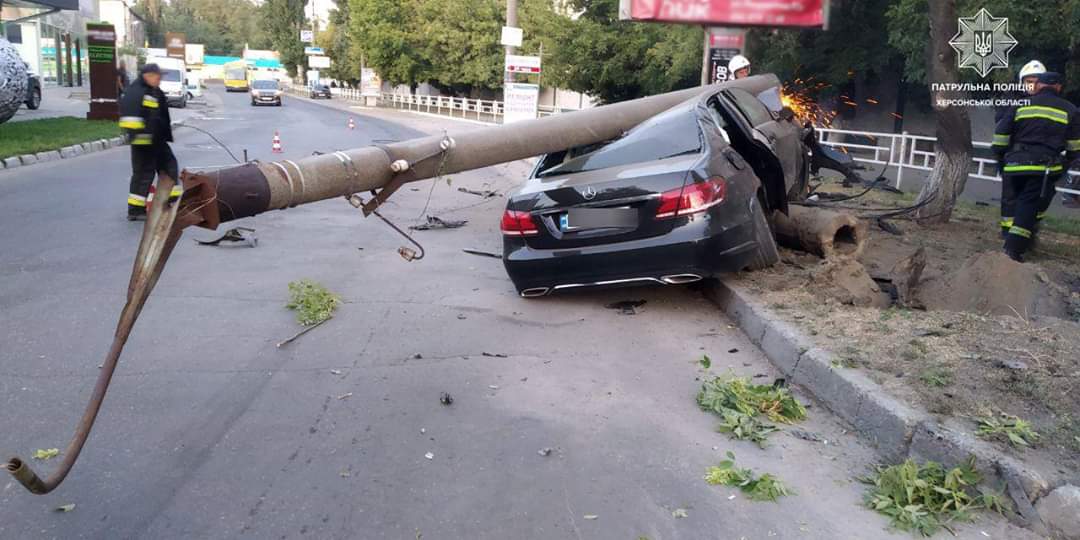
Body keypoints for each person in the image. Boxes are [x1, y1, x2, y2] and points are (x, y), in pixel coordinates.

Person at [991, 71, 1080, 261]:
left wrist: (1000, 159)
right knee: (1030, 205)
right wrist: (1064, 166)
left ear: (1038, 85)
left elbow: (1000, 135)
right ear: (1058, 87)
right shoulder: (1070, 110)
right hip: (1043, 168)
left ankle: (1017, 239)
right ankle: (1012, 250)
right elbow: (1074, 147)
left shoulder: (1020, 104)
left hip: (1014, 165)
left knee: (1019, 202)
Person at [118, 63, 180, 221]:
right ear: (148, 75)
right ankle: (135, 209)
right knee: (144, 174)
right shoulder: (136, 91)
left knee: (169, 167)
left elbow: (158, 114)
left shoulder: (153, 91)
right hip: (144, 143)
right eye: (157, 77)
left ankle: (175, 201)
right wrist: (143, 136)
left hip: (157, 141)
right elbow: (129, 120)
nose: (159, 80)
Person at [995, 60, 1046, 236]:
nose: (1032, 85)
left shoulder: (1049, 101)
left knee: (1035, 197)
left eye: (1036, 81)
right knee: (1010, 196)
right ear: (1021, 81)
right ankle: (1007, 232)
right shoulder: (1010, 98)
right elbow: (1000, 124)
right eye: (1028, 81)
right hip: (1013, 153)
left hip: (1040, 156)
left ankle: (1027, 232)